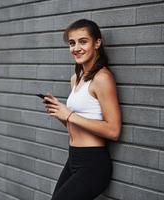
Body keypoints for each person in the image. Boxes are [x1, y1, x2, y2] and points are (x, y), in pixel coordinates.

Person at [43, 19, 122, 200]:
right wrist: (59, 113)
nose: (76, 48)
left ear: (97, 43)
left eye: (83, 41)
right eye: (72, 43)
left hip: (93, 164)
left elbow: (114, 130)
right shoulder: (76, 78)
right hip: (74, 159)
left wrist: (69, 114)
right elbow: (78, 126)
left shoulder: (102, 78)